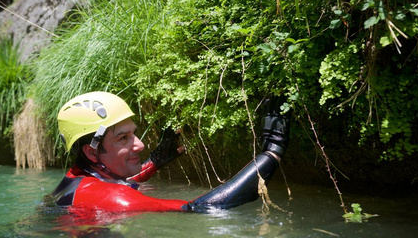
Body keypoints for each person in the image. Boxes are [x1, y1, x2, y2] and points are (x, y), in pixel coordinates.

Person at [50, 91, 290, 213]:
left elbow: (110, 182)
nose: (140, 145)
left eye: (134, 133)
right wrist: (272, 152)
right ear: (92, 153)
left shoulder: (77, 179)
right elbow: (199, 209)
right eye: (123, 138)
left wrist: (154, 162)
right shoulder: (112, 199)